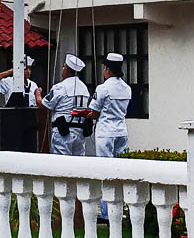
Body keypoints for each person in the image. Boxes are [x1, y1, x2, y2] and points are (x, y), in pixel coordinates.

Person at [88, 52, 133, 222]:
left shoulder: (103, 88)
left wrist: (85, 115)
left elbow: (94, 113)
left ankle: (107, 213)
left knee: (105, 172)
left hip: (106, 132)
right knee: (120, 171)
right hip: (121, 131)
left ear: (107, 69)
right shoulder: (127, 88)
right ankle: (120, 209)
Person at [35, 53, 91, 155]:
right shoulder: (84, 88)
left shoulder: (60, 87)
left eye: (64, 66)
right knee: (78, 164)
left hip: (63, 132)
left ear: (67, 69)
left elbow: (43, 106)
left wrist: (37, 94)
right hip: (80, 132)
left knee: (60, 165)